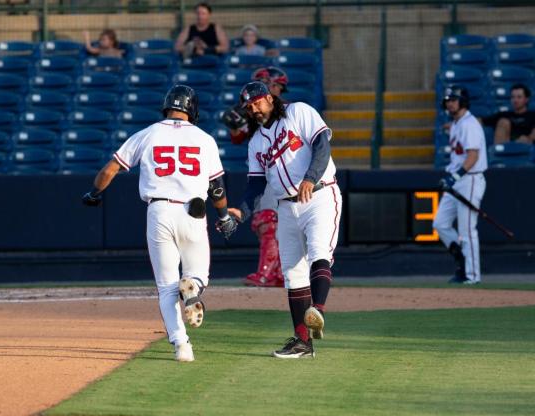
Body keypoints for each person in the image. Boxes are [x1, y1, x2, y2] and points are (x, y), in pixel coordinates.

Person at [82, 85, 238, 362]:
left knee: (166, 286)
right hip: (193, 210)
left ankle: (182, 346)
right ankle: (193, 286)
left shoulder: (148, 133)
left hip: (159, 210)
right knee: (199, 274)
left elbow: (111, 169)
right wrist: (224, 216)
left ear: (167, 106)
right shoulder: (205, 139)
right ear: (192, 108)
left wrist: (94, 194)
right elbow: (216, 187)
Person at [228, 82, 341, 358]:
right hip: (286, 207)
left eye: (257, 102)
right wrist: (241, 212)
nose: (254, 109)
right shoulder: (256, 142)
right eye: (249, 106)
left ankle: (318, 312)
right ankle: (303, 342)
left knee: (318, 253)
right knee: (292, 274)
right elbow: (255, 186)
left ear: (269, 98)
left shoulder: (298, 112)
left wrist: (310, 177)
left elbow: (322, 145)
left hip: (319, 194)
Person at [220, 67, 290, 288]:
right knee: (265, 221)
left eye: (273, 85)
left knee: (270, 221)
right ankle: (278, 273)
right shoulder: (252, 114)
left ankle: (269, 273)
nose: (274, 89)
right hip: (264, 172)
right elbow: (238, 138)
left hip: (283, 172)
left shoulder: (288, 111)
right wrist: (234, 125)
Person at [433, 86, 487, 285]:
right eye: (448, 99)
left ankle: (472, 275)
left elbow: (473, 156)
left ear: (463, 101)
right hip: (457, 179)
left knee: (467, 230)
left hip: (470, 178)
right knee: (440, 224)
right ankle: (462, 260)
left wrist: (455, 177)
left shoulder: (469, 124)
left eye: (454, 99)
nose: (450, 103)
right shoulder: (456, 123)